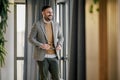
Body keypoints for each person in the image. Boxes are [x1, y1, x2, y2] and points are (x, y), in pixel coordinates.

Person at [29, 5, 64, 80]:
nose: (50, 14)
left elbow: (61, 37)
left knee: (57, 77)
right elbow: (30, 38)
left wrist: (60, 44)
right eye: (48, 12)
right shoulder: (37, 25)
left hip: (54, 56)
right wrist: (41, 45)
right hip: (42, 57)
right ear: (43, 13)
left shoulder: (56, 25)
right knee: (44, 78)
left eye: (51, 12)